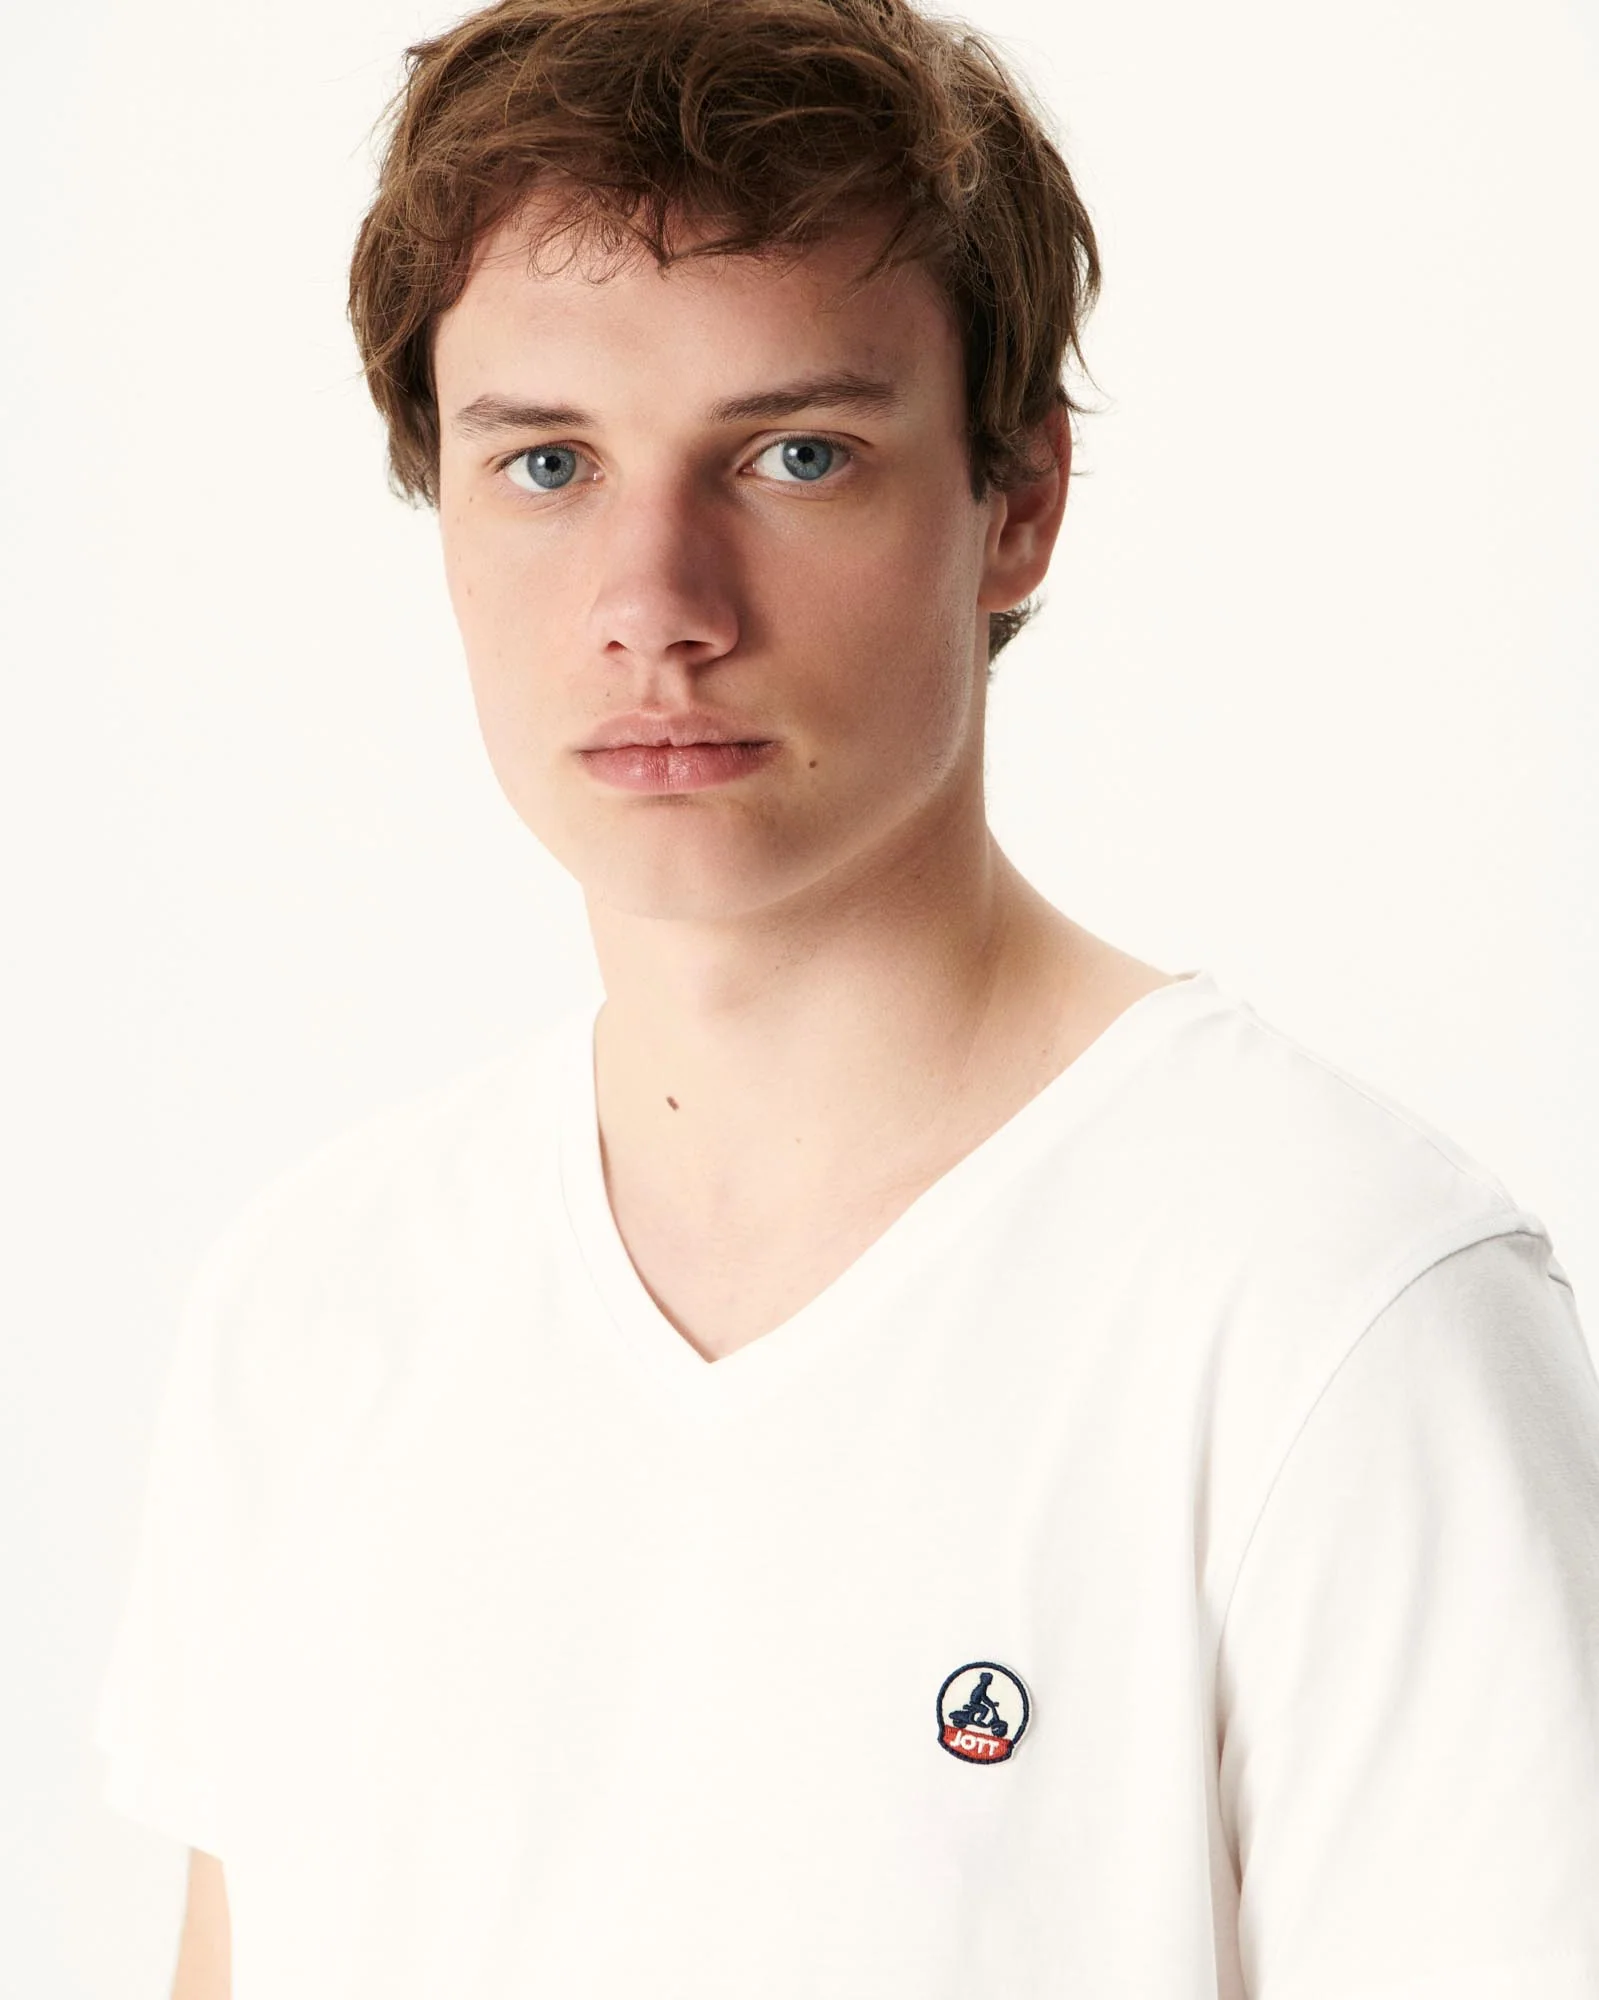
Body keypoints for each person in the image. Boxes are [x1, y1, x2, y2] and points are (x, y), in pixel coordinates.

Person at [93, 0, 1599, 1994]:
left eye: (795, 454)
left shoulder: (1333, 1308)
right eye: (545, 462)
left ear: (1016, 500)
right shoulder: (313, 1313)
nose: (654, 602)